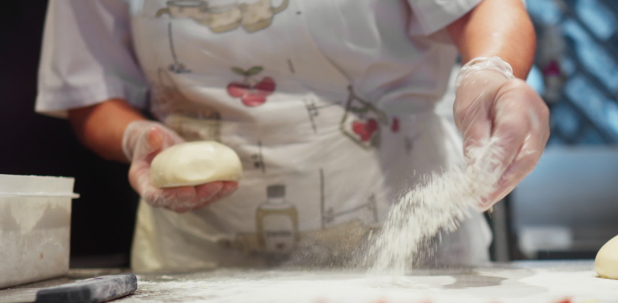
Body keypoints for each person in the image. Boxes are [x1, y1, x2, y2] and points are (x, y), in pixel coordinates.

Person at [37, 0, 549, 272]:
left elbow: (486, 7)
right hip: (198, 264)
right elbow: (89, 92)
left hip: (409, 252)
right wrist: (136, 137)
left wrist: (490, 73)